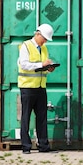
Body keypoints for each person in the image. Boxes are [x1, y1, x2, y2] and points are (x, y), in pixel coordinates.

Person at [18, 23, 58, 153]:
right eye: (44, 38)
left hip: (40, 87)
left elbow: (40, 69)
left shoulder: (44, 48)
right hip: (27, 87)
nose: (45, 41)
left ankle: (43, 146)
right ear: (38, 34)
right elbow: (24, 65)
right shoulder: (26, 46)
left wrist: (48, 68)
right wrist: (42, 64)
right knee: (26, 118)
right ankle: (26, 146)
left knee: (42, 117)